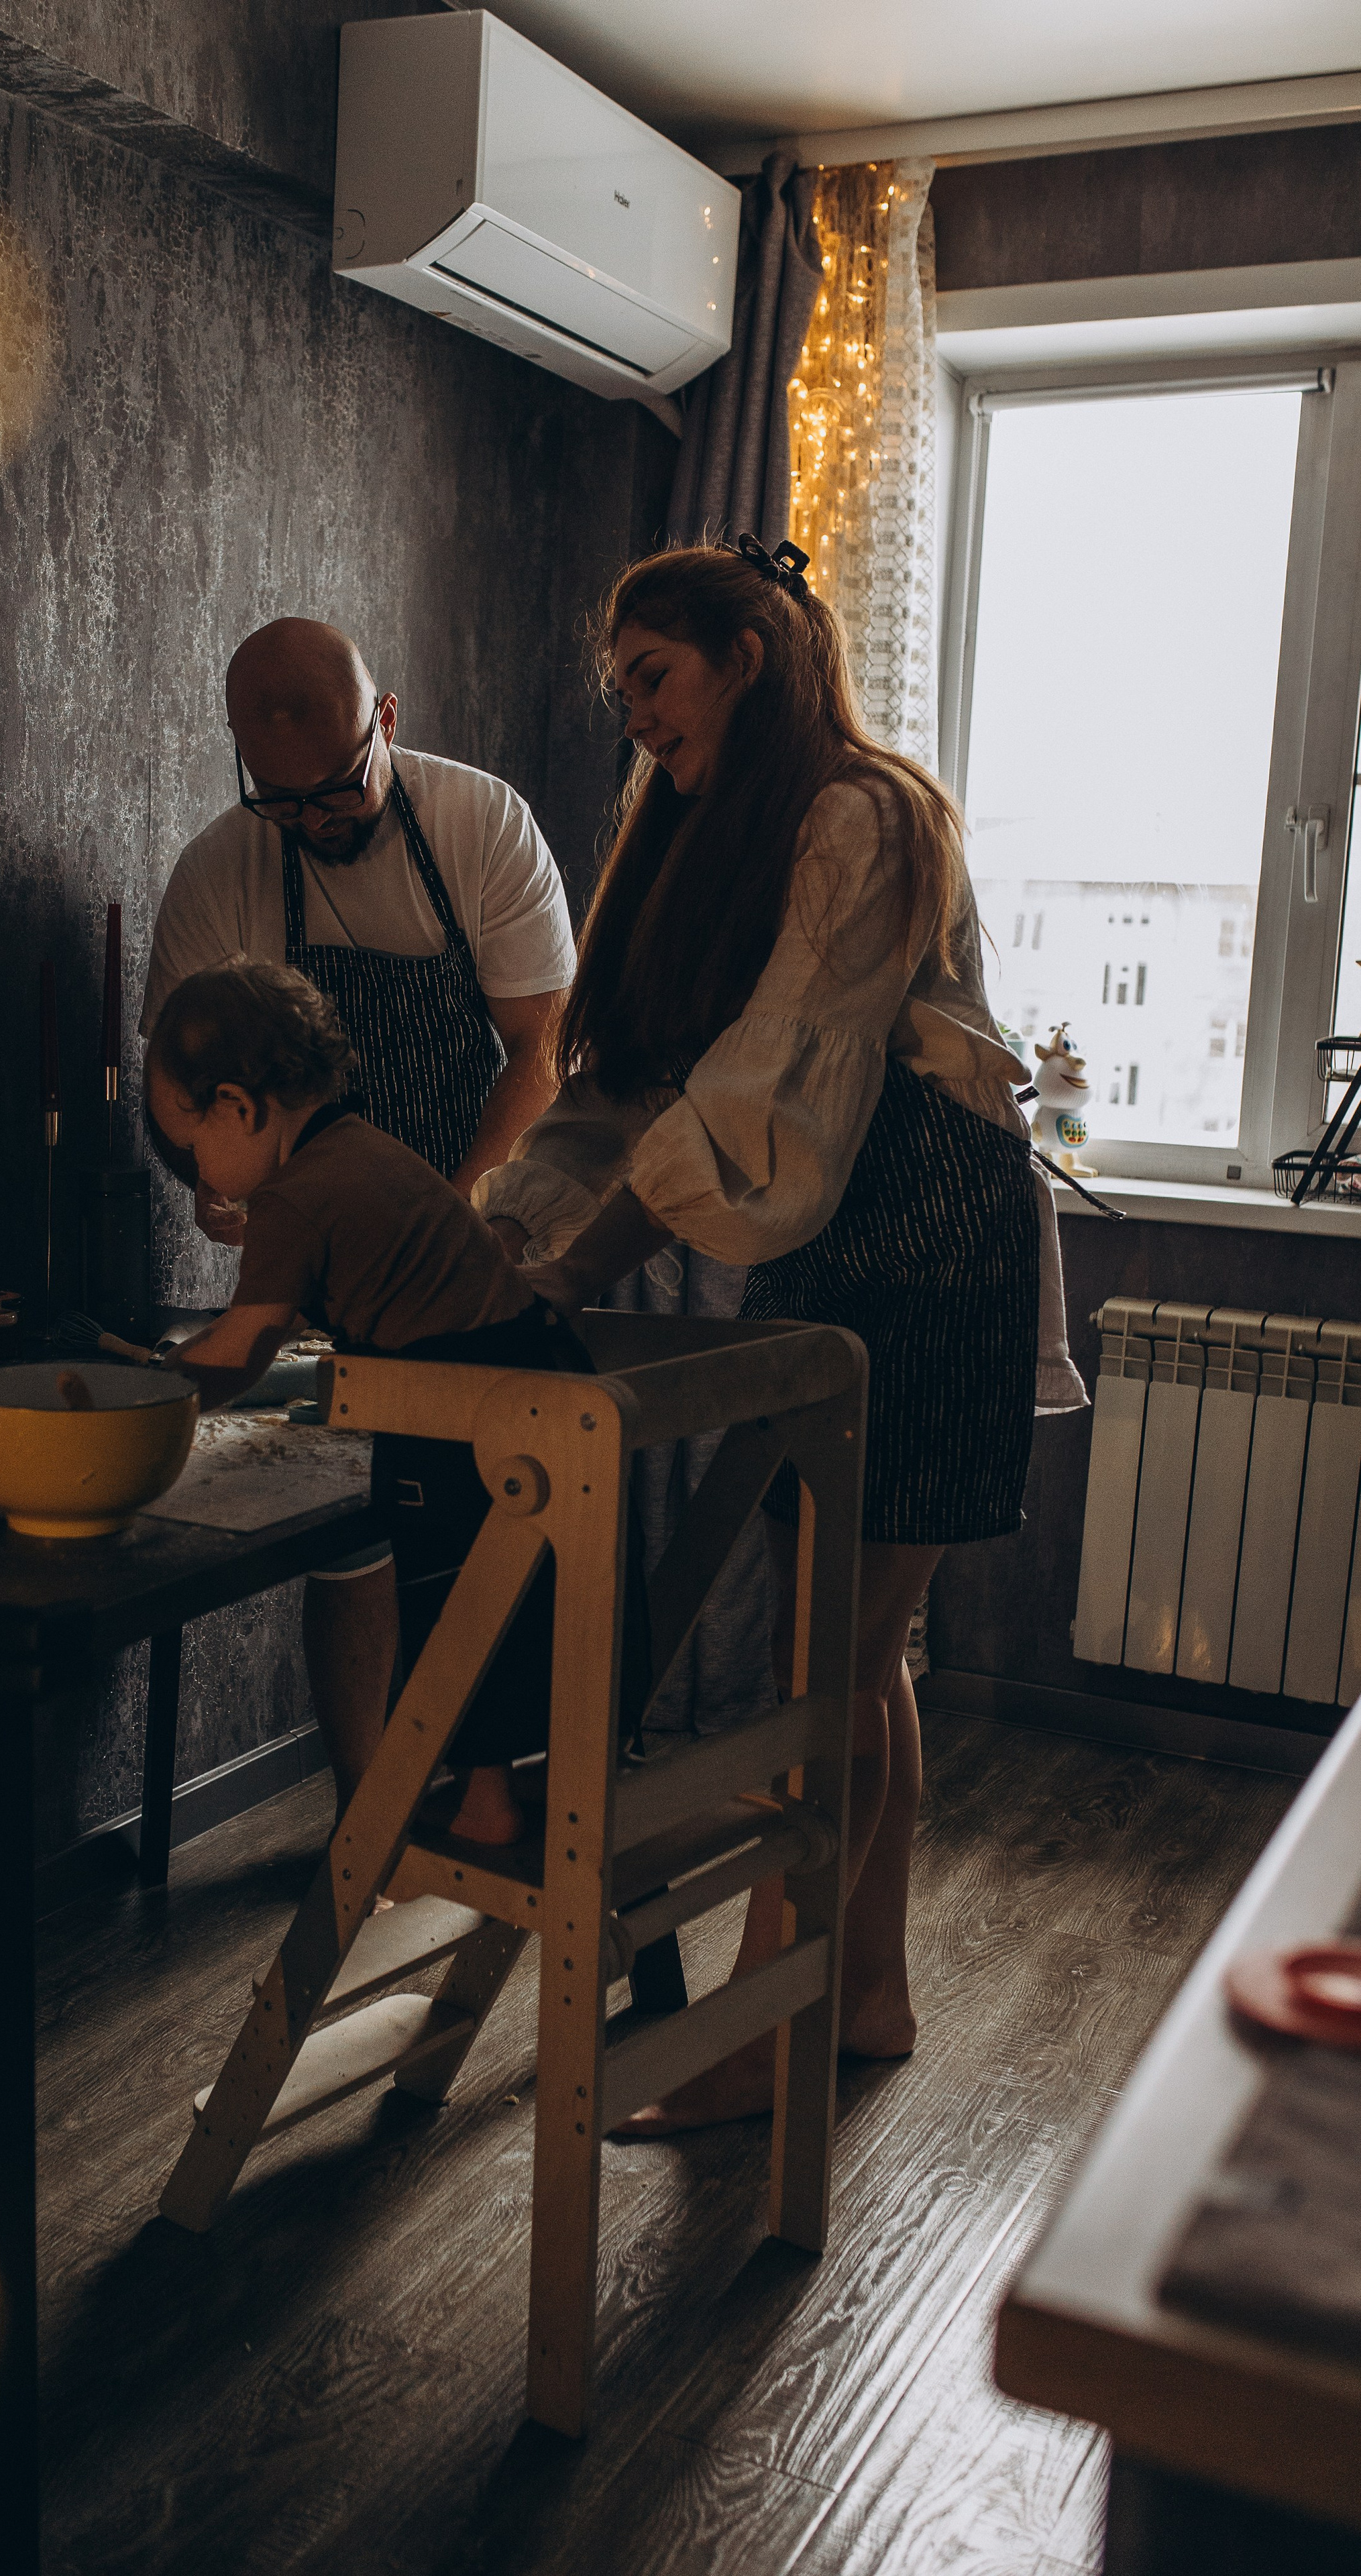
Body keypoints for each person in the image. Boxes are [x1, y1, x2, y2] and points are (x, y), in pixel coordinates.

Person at [475, 537, 1084, 2131]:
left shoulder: (858, 814)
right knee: (858, 1656)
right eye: (619, 695)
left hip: (929, 1244)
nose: (635, 719)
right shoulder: (701, 832)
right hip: (853, 1246)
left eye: (653, 679)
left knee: (832, 1662)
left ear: (748, 654)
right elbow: (626, 1082)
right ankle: (861, 1994)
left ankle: (767, 2030)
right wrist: (492, 1237)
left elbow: (766, 1079)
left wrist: (583, 1254)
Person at [142, 619, 574, 1811]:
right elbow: (178, 1091)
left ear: (386, 722)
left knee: (490, 1534)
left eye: (338, 790)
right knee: (358, 1533)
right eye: (283, 806)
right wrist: (222, 1192)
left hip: (484, 1237)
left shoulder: (480, 825)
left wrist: (443, 1213)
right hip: (358, 1267)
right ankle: (369, 1812)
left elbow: (543, 1051)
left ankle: (497, 1793)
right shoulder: (220, 871)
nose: (318, 822)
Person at [146, 959, 600, 1844]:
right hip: (534, 1374)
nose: (198, 1175)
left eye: (192, 1146)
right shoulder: (362, 1148)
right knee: (504, 1597)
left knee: (449, 1600)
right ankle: (493, 1789)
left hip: (463, 1405)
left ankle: (481, 1802)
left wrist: (146, 1397)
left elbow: (242, 1350)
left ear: (239, 1108)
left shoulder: (295, 1197)